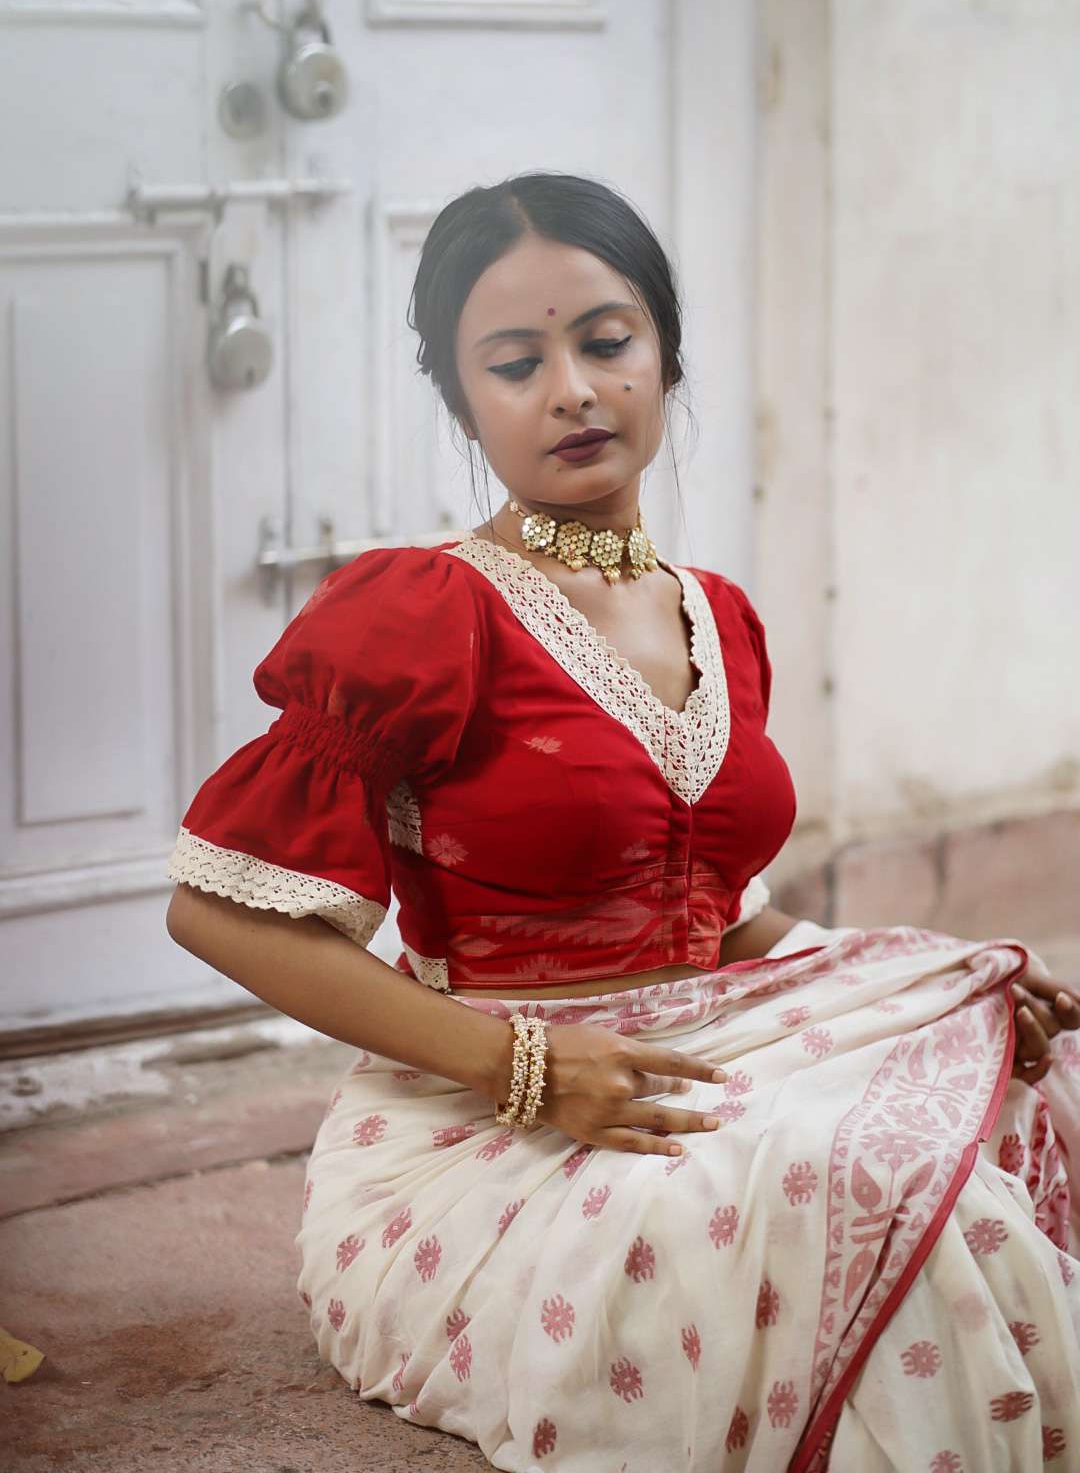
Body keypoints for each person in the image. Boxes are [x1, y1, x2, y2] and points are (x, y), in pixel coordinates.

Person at [165, 172, 1080, 1472]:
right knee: (864, 1190)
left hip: (709, 1054)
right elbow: (217, 914)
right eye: (515, 361)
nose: (574, 390)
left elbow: (716, 908)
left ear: (664, 355)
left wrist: (936, 972)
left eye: (606, 342)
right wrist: (524, 1068)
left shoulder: (718, 612)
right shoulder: (422, 611)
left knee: (1020, 1091)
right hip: (493, 1131)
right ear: (462, 398)